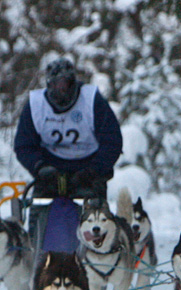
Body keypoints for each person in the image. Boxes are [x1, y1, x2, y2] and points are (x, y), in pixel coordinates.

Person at [13, 57, 122, 255]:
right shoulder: (36, 105)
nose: (61, 90)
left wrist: (95, 169)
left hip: (88, 169)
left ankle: (95, 261)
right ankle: (38, 259)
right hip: (50, 170)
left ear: (73, 83)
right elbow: (23, 145)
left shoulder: (91, 100)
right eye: (56, 84)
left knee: (95, 219)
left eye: (66, 84)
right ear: (49, 85)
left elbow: (112, 141)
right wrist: (38, 166)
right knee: (39, 215)